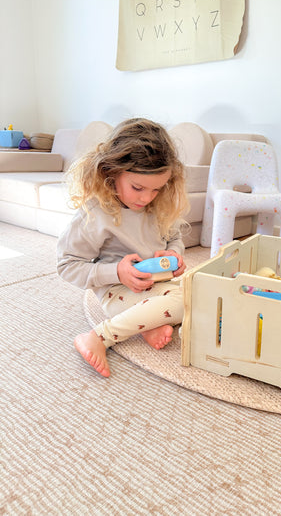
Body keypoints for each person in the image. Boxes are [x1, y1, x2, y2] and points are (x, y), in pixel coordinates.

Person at [57, 118, 189, 377]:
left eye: (157, 189)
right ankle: (97, 337)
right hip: (117, 292)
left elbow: (174, 237)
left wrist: (175, 254)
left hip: (159, 283)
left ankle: (147, 324)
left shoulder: (158, 203)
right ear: (111, 171)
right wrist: (117, 273)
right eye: (137, 188)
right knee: (185, 302)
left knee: (203, 293)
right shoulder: (95, 214)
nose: (146, 198)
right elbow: (67, 266)